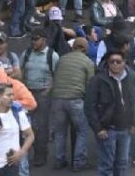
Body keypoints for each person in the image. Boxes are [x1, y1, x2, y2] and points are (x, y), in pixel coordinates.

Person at [85, 50, 135, 176]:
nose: (115, 64)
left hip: (126, 129)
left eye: (118, 61)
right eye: (112, 62)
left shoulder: (131, 77)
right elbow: (89, 106)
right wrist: (98, 128)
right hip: (107, 129)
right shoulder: (98, 80)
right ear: (108, 63)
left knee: (122, 163)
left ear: (124, 62)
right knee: (106, 166)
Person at [49, 36, 94, 171]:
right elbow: (90, 84)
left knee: (60, 132)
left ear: (73, 47)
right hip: (75, 99)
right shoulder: (87, 62)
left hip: (57, 98)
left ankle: (59, 160)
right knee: (82, 130)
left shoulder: (62, 59)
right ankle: (79, 162)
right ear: (85, 49)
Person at [20, 29, 59, 168]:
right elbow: (21, 70)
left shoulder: (52, 55)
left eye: (36, 39)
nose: (33, 42)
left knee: (41, 126)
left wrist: (47, 91)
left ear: (44, 40)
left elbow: (57, 76)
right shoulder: (26, 53)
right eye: (32, 39)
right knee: (25, 125)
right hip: (27, 93)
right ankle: (24, 155)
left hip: (43, 93)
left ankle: (40, 155)